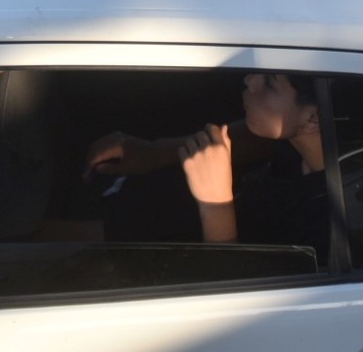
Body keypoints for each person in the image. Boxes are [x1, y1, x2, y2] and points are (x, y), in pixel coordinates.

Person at [84, 73, 329, 256]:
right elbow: (254, 139)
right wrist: (156, 152)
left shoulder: (324, 223)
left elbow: (238, 296)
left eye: (270, 82)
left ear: (313, 118)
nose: (250, 79)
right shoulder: (294, 142)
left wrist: (216, 205)